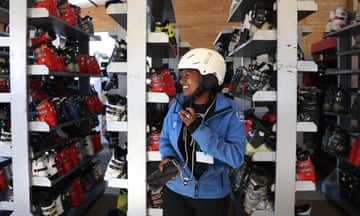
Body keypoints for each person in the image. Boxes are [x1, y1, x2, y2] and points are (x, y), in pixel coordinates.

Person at [158, 48, 246, 216]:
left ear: (208, 79)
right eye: (181, 74)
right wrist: (168, 157)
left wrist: (198, 129)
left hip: (212, 197)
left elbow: (236, 158)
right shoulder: (177, 106)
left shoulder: (230, 112)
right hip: (176, 191)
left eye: (187, 75)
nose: (181, 80)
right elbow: (165, 140)